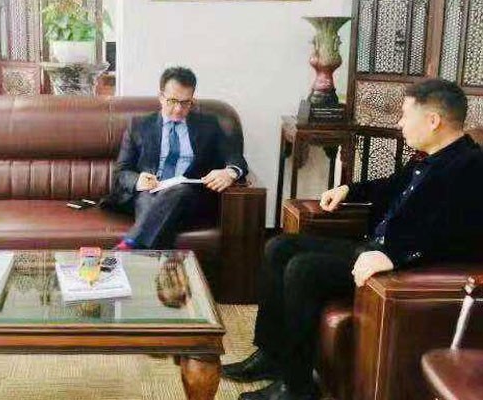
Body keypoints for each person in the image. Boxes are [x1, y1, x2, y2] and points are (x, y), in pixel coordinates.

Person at [223, 78, 483, 400]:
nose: (399, 123)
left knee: (304, 269)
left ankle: (297, 388)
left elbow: (461, 236)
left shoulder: (471, 168)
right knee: (279, 246)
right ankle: (271, 355)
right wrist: (348, 189)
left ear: (433, 120)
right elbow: (389, 186)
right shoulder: (428, 157)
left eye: (405, 114)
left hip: (398, 268)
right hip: (374, 249)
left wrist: (396, 257)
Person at [103, 66, 248, 249]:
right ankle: (139, 254)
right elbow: (121, 171)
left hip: (190, 197)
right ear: (161, 97)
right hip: (150, 193)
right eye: (172, 101)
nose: (179, 109)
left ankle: (128, 247)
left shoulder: (209, 125)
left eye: (186, 103)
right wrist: (138, 180)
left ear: (192, 99)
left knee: (178, 190)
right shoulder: (139, 125)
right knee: (147, 198)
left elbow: (236, 157)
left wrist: (229, 172)